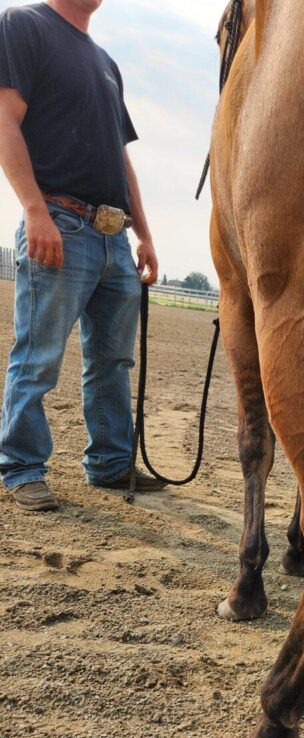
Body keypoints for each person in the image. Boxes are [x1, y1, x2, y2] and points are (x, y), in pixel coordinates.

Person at [0, 0, 164, 512]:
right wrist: (34, 210)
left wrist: (144, 235)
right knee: (38, 355)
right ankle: (22, 467)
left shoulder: (105, 62)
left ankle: (111, 464)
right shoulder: (23, 25)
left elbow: (121, 157)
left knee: (113, 361)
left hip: (114, 234)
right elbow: (4, 118)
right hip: (60, 221)